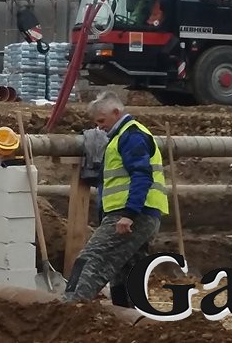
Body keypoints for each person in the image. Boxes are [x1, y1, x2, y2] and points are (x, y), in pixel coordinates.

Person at [62, 90, 169, 304]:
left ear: (116, 112)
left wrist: (129, 214)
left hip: (132, 214)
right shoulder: (122, 137)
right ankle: (128, 317)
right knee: (126, 271)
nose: (99, 127)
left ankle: (70, 307)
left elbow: (142, 175)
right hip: (140, 213)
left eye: (101, 121)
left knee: (91, 259)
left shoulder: (131, 136)